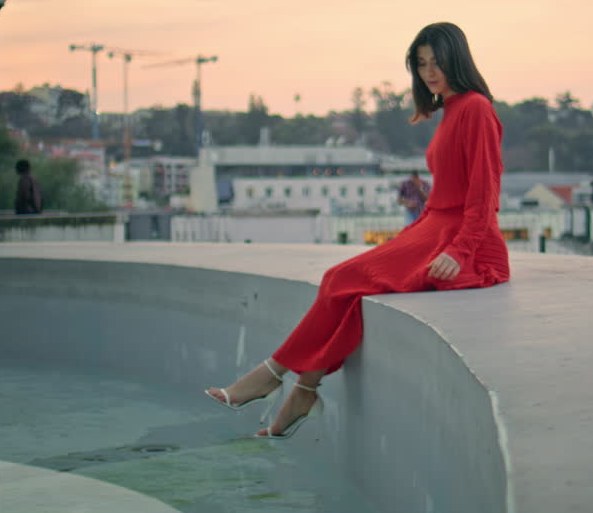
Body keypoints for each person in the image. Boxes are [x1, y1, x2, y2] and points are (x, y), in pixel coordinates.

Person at [205, 22, 510, 439]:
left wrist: (459, 252)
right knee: (350, 292)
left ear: (457, 58)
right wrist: (413, 235)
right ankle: (305, 389)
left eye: (437, 61)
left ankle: (270, 375)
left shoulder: (476, 108)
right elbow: (443, 195)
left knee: (337, 279)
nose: (429, 72)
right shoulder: (451, 110)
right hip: (435, 228)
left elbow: (485, 192)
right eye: (421, 64)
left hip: (466, 246)